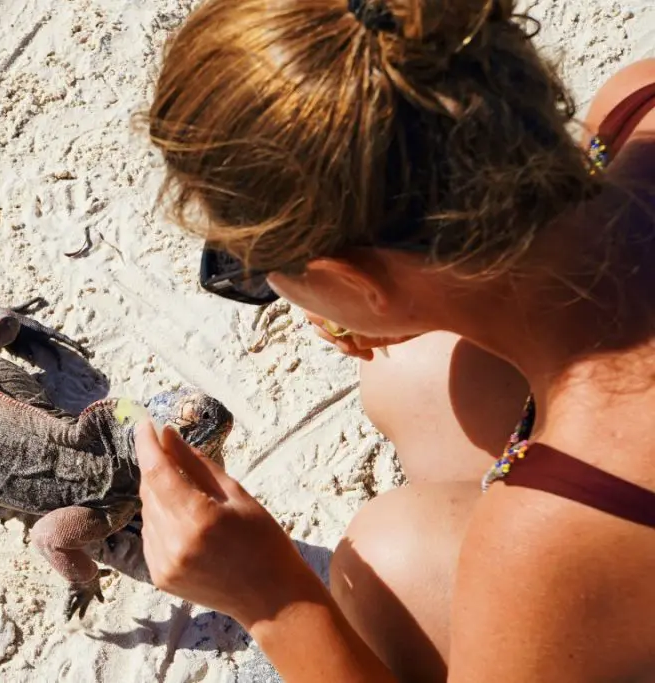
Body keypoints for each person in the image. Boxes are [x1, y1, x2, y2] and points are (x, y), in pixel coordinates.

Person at [133, 0, 655, 680]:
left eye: (254, 270)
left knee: (388, 561)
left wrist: (269, 595)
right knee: (415, 378)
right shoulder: (634, 104)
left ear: (352, 278)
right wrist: (420, 302)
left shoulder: (544, 546)